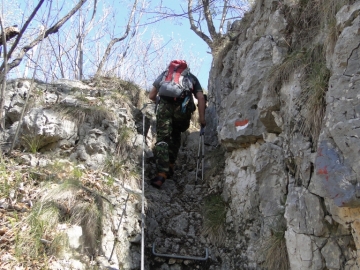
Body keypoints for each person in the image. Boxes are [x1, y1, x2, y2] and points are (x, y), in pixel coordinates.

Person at [148, 61, 206, 188]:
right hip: (182, 111)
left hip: (164, 108)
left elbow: (151, 95)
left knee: (163, 139)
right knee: (176, 133)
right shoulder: (191, 78)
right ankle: (170, 165)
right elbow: (201, 98)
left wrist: (159, 101)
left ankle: (161, 174)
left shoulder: (164, 75)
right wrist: (202, 119)